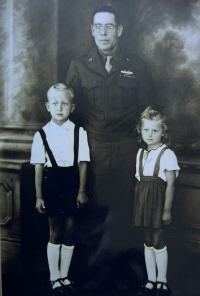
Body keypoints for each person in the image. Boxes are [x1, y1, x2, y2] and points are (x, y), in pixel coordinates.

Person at [66, 5, 156, 254]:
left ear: (119, 30)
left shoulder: (136, 66)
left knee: (124, 209)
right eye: (98, 27)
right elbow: (72, 111)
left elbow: (148, 109)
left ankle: (121, 269)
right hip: (94, 148)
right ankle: (95, 273)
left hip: (128, 148)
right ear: (92, 31)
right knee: (95, 207)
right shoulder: (79, 65)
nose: (103, 32)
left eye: (109, 27)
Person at [30, 83, 90, 294]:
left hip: (72, 182)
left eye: (65, 103)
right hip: (52, 184)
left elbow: (83, 163)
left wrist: (81, 191)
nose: (59, 107)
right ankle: (54, 276)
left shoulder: (79, 132)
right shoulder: (41, 135)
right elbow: (38, 167)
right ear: (48, 106)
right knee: (55, 229)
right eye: (55, 103)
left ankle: (64, 275)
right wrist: (39, 196)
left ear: (72, 108)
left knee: (70, 228)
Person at [133, 106, 180, 296]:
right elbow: (140, 182)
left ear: (163, 131)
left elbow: (171, 185)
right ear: (141, 131)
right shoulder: (140, 153)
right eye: (146, 130)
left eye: (155, 130)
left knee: (158, 239)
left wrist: (166, 210)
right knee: (147, 238)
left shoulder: (167, 154)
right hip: (143, 202)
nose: (150, 134)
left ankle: (162, 280)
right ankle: (151, 279)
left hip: (159, 202)